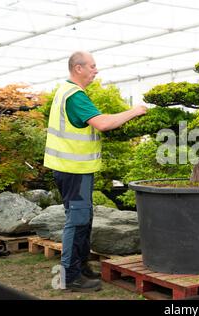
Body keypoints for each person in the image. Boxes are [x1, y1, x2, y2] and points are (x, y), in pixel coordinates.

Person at [44, 51, 147, 292]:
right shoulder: (75, 96)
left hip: (71, 169)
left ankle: (80, 267)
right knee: (77, 221)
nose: (96, 70)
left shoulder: (65, 91)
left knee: (83, 219)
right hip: (74, 170)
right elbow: (102, 123)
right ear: (78, 68)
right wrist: (134, 111)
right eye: (92, 66)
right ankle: (70, 276)